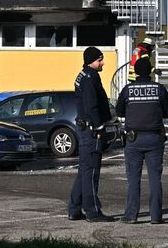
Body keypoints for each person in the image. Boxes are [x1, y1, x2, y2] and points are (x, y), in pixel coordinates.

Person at [116, 58, 168, 224]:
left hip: (133, 140)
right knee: (155, 179)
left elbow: (119, 111)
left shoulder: (127, 90)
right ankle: (156, 217)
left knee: (133, 179)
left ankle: (131, 215)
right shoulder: (159, 89)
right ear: (150, 71)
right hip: (154, 138)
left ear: (136, 72)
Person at [68, 46, 114, 222]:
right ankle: (93, 211)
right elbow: (92, 105)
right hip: (91, 130)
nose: (102, 63)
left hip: (85, 128)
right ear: (91, 61)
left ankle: (74, 208)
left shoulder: (84, 75)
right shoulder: (90, 77)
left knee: (84, 171)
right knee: (92, 171)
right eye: (99, 60)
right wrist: (100, 127)